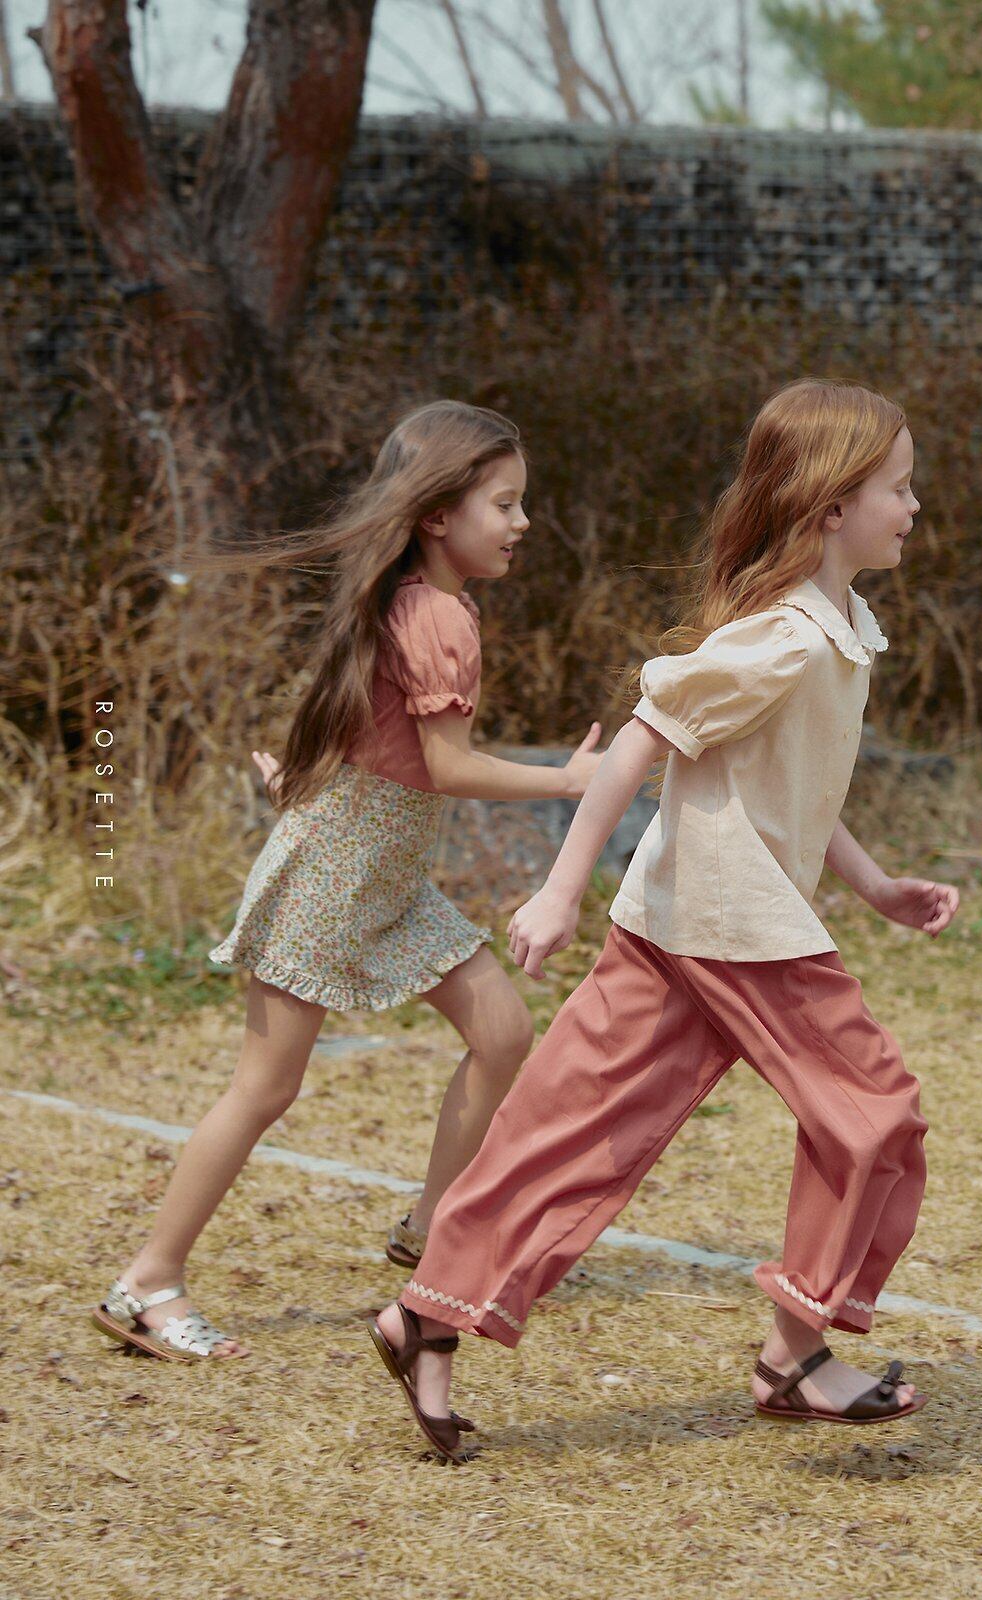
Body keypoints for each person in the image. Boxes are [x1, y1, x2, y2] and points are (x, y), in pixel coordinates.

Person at [365, 377, 961, 1463]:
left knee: (569, 1127)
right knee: (874, 1115)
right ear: (833, 505)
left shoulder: (836, 629)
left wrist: (874, 885)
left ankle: (426, 1318)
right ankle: (795, 1358)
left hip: (679, 920)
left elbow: (785, 787)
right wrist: (560, 887)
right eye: (899, 487)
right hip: (737, 929)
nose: (913, 506)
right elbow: (643, 737)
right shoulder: (783, 638)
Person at [92, 400, 605, 1361]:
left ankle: (431, 1231)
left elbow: (376, 733)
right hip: (338, 875)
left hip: (385, 874)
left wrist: (303, 782)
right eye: (505, 503)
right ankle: (146, 1284)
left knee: (501, 1031)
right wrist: (569, 781)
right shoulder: (435, 614)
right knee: (264, 1089)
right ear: (438, 514)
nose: (524, 521)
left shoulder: (420, 602)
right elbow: (446, 766)